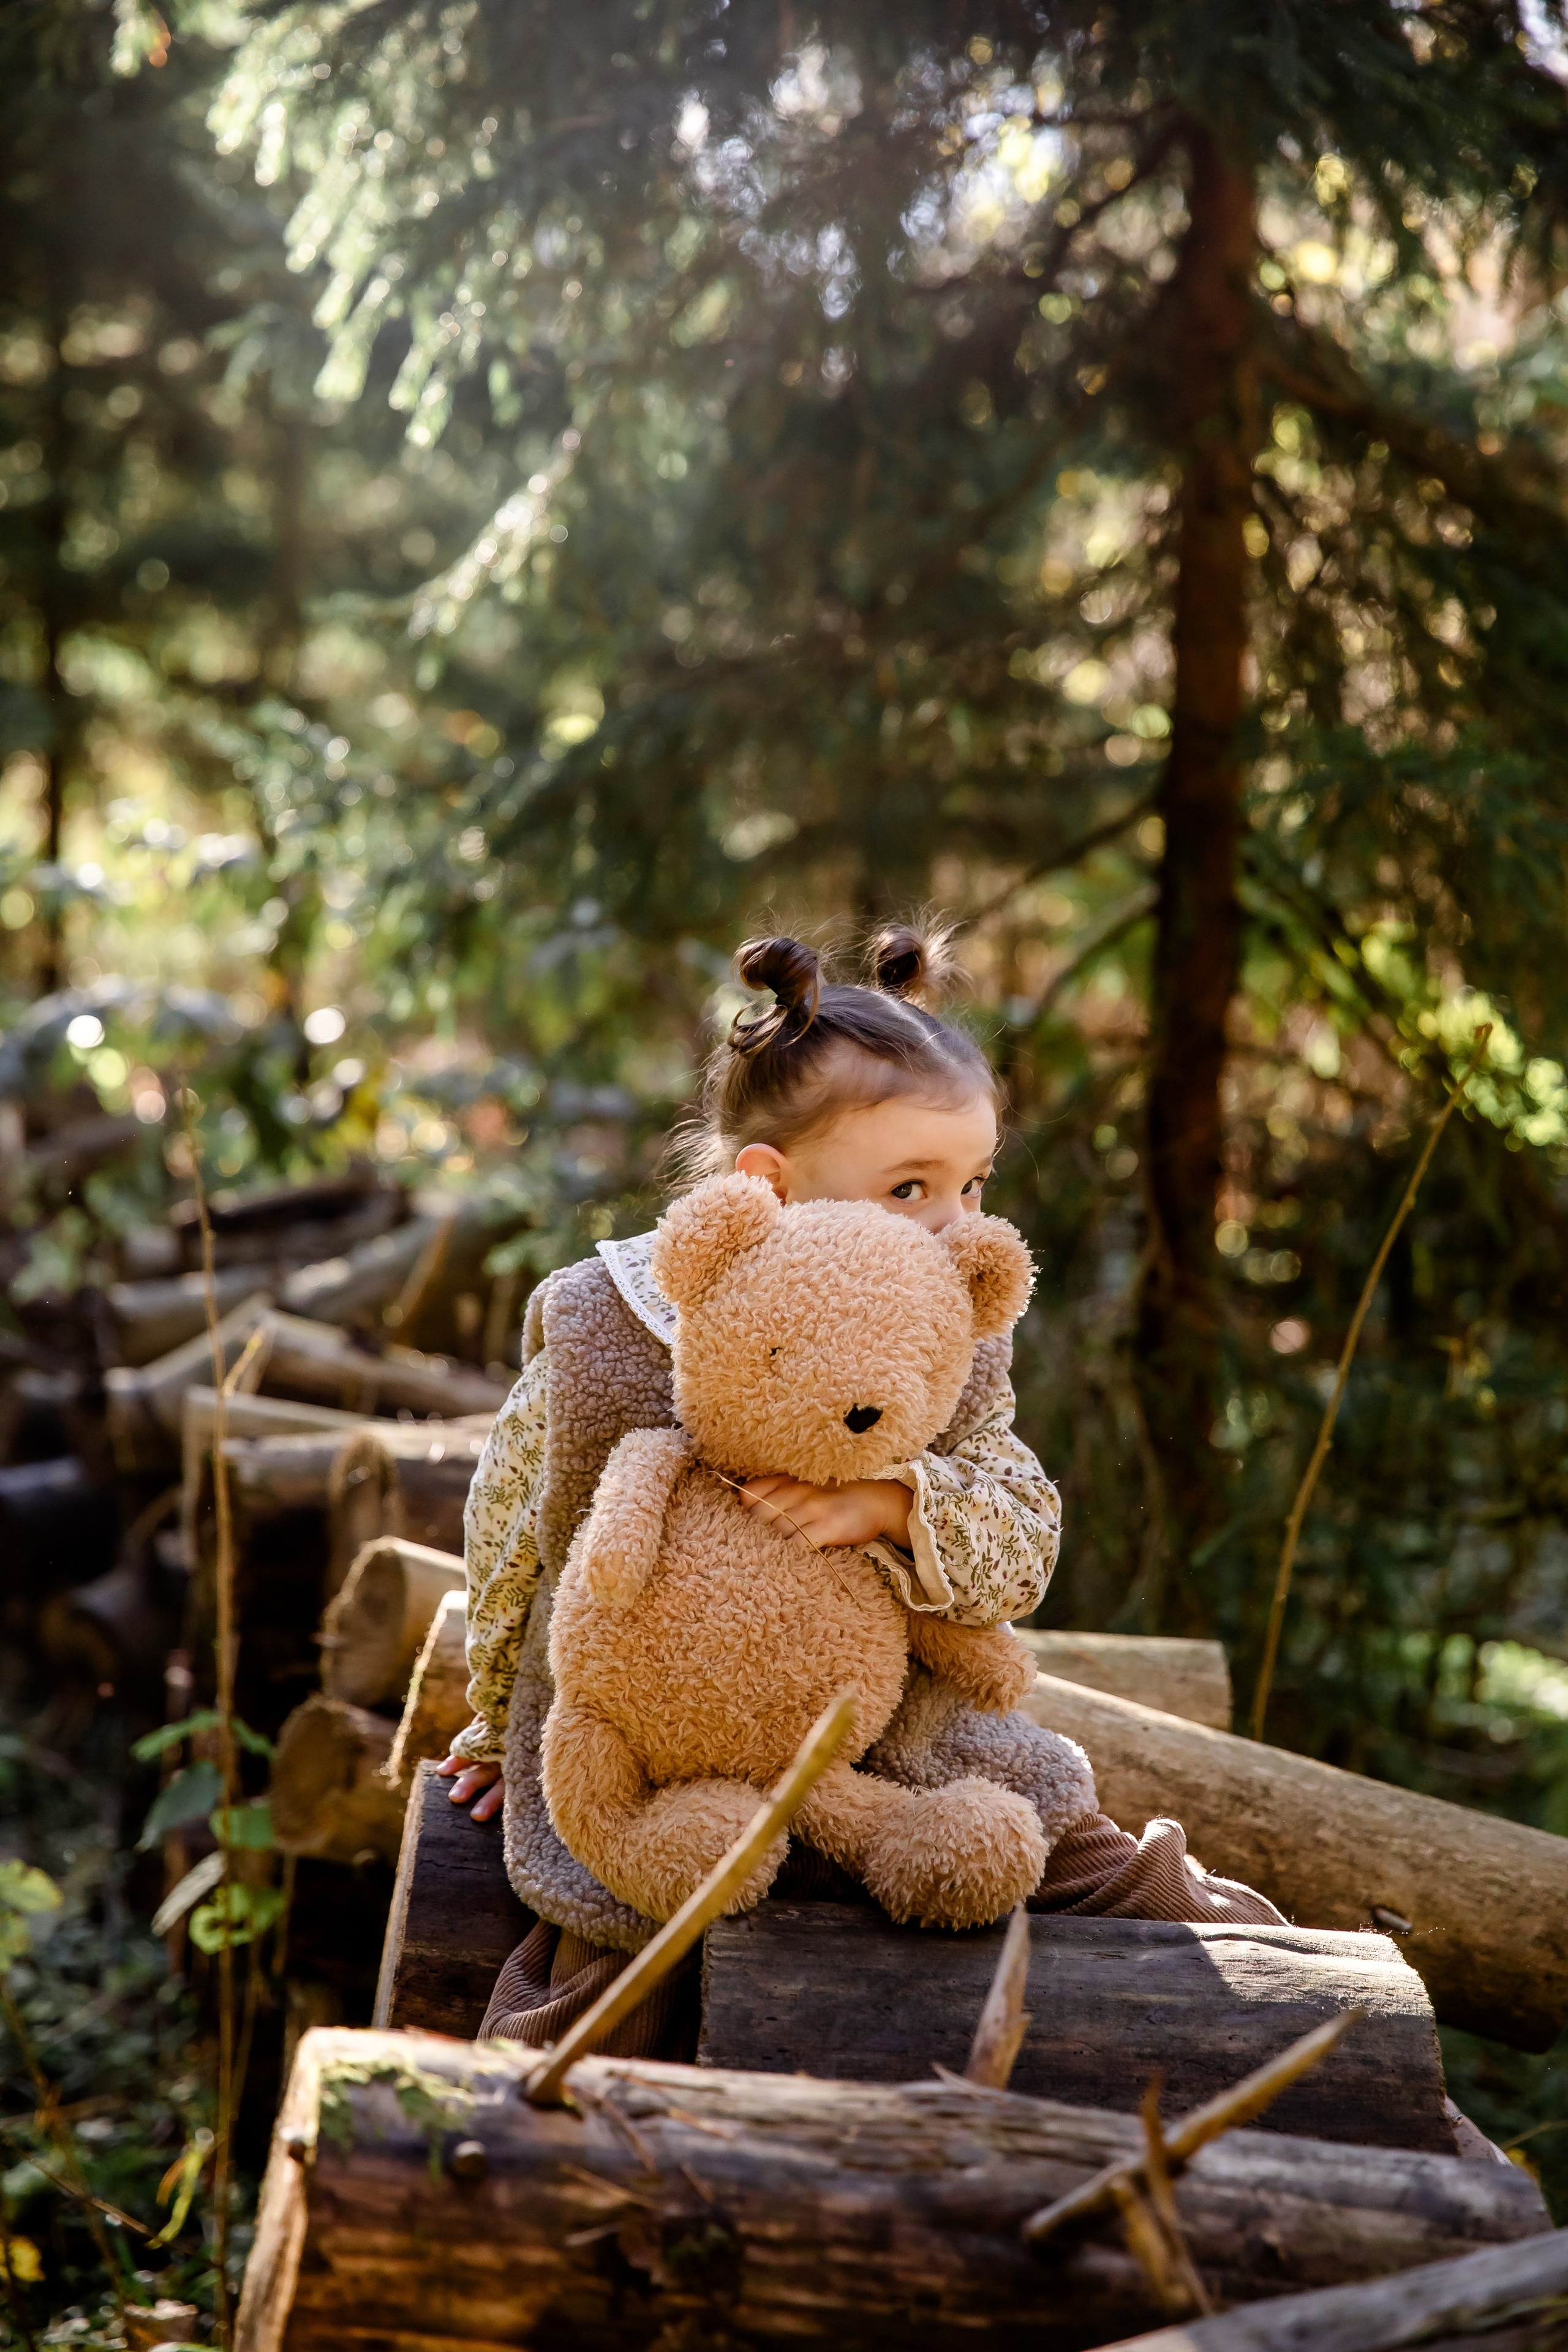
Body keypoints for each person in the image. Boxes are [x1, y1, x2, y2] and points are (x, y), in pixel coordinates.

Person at [439, 925, 1282, 2050]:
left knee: (1075, 1846)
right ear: (771, 1184)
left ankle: (1288, 1999)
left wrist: (897, 1505)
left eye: (974, 1184)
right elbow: (515, 1532)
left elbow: (1022, 1536)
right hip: (664, 1745)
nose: (957, 1223)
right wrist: (498, 1721)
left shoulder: (955, 1328)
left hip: (892, 1738)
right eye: (910, 1187)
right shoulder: (608, 1321)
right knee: (625, 1939)